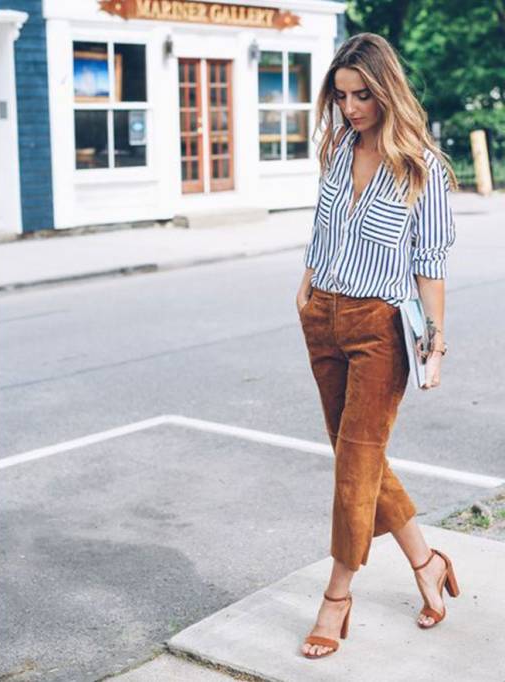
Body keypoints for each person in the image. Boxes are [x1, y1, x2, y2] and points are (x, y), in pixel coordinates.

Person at [295, 33, 459, 659]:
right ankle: (427, 562)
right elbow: (321, 226)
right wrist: (304, 293)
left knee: (355, 461)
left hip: (380, 328)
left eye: (362, 95)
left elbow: (431, 263)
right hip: (323, 319)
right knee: (355, 455)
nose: (351, 107)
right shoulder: (339, 150)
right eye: (340, 96)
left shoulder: (422, 167)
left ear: (386, 89)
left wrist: (435, 345)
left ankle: (337, 595)